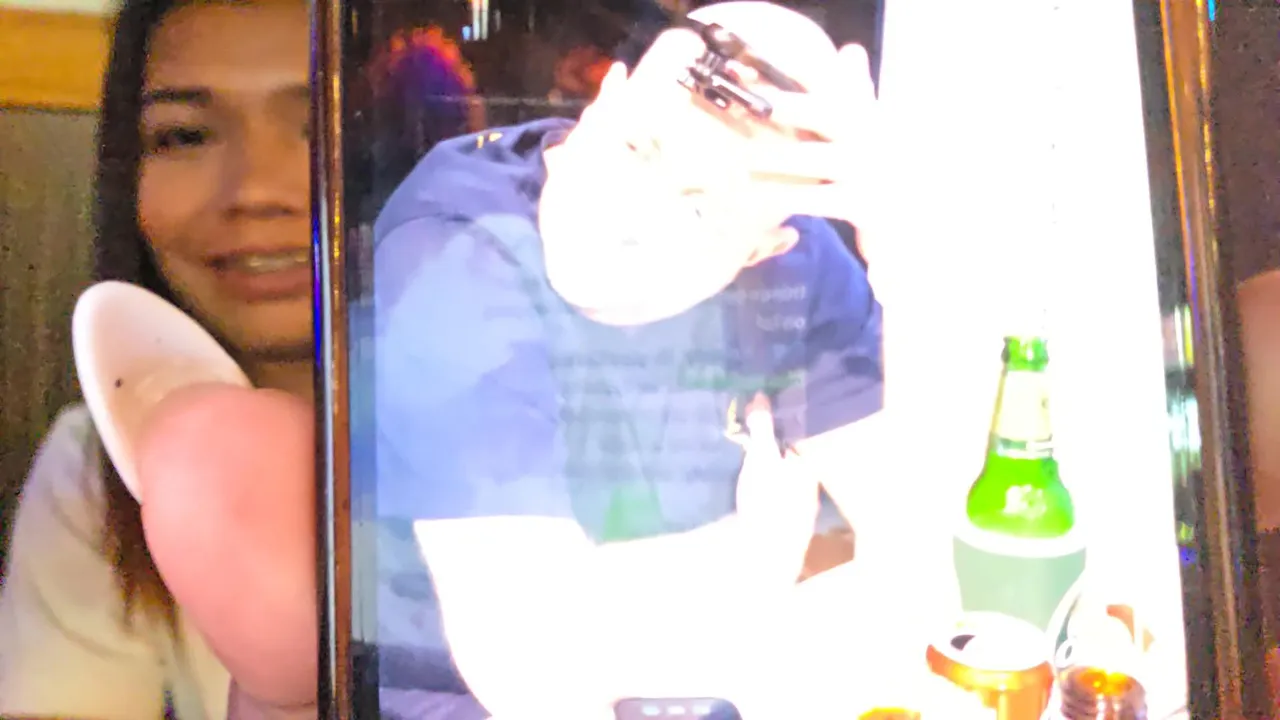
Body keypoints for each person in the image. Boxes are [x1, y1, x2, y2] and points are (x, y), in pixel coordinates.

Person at [367, 2, 891, 716]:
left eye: (701, 208)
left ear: (762, 248)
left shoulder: (794, 259)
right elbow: (532, 667)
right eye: (637, 149)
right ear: (605, 97)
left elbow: (930, 531)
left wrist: (908, 260)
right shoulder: (457, 248)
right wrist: (749, 562)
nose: (631, 214)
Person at [0, 0, 317, 717]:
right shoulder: (100, 466)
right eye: (185, 135)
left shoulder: (547, 434)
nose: (254, 191)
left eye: (320, 126)